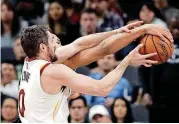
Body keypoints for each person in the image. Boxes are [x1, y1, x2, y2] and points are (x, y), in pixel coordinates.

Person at [18, 21, 173, 122]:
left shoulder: (30, 63)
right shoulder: (54, 70)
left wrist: (118, 31)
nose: (58, 45)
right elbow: (102, 88)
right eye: (53, 41)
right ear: (43, 48)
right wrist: (127, 61)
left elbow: (80, 44)